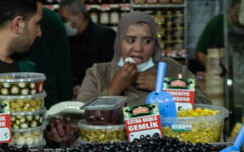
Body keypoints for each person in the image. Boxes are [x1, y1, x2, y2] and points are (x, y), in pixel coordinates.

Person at [77, 11, 210, 106]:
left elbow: (206, 106)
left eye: (147, 41)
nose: (138, 48)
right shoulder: (98, 73)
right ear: (118, 42)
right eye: (130, 40)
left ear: (155, 43)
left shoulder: (176, 70)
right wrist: (113, 89)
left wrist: (164, 87)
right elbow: (79, 119)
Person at [58, 0, 115, 96]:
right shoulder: (66, 39)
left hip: (95, 95)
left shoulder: (105, 35)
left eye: (64, 19)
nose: (62, 24)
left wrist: (84, 86)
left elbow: (108, 72)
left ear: (79, 17)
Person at [27, 6, 74, 106]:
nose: (39, 33)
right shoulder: (51, 17)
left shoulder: (49, 18)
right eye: (36, 24)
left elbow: (63, 65)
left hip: (48, 98)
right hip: (51, 98)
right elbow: (63, 67)